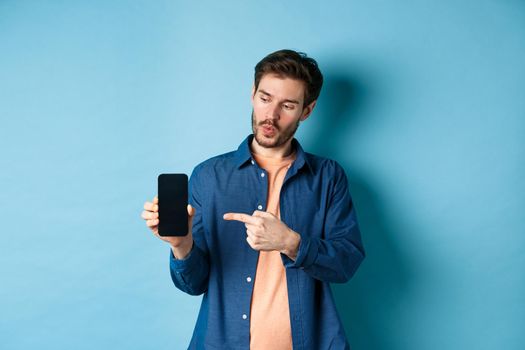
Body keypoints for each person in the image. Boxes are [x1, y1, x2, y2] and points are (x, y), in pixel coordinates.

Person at [141, 49, 365, 350]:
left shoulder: (327, 177)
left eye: (287, 105)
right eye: (265, 98)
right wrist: (181, 244)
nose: (271, 115)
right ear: (252, 94)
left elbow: (346, 263)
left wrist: (291, 243)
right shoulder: (209, 176)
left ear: (307, 111)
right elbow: (192, 284)